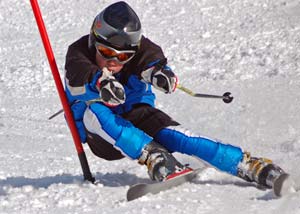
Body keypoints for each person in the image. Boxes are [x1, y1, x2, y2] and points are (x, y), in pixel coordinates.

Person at [64, 1, 285, 188]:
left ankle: (248, 165)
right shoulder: (78, 55)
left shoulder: (139, 52)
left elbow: (149, 57)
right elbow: (79, 76)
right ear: (94, 42)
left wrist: (158, 73)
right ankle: (153, 155)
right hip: (103, 138)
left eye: (123, 57)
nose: (114, 61)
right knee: (93, 111)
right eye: (106, 53)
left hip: (135, 114)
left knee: (178, 136)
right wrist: (101, 82)